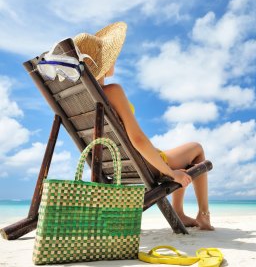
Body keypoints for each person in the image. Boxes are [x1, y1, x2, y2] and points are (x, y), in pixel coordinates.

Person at [74, 22, 214, 230]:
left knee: (183, 160)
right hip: (144, 162)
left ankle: (180, 213)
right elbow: (137, 139)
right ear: (104, 64)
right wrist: (169, 172)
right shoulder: (113, 92)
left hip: (113, 164)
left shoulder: (80, 102)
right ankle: (203, 215)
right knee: (197, 149)